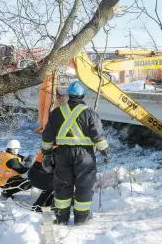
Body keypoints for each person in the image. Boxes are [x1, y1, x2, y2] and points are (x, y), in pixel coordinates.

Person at [41, 80, 110, 226]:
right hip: (85, 155)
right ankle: (81, 218)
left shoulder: (57, 112)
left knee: (62, 185)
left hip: (62, 154)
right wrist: (105, 151)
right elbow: (98, 135)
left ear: (69, 95)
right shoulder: (90, 113)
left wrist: (46, 154)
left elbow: (47, 136)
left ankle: (61, 218)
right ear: (83, 95)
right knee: (84, 185)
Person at [28, 148, 57, 212]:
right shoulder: (59, 151)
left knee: (51, 185)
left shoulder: (47, 148)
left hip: (32, 176)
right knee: (61, 185)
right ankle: (51, 205)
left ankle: (40, 204)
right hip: (43, 178)